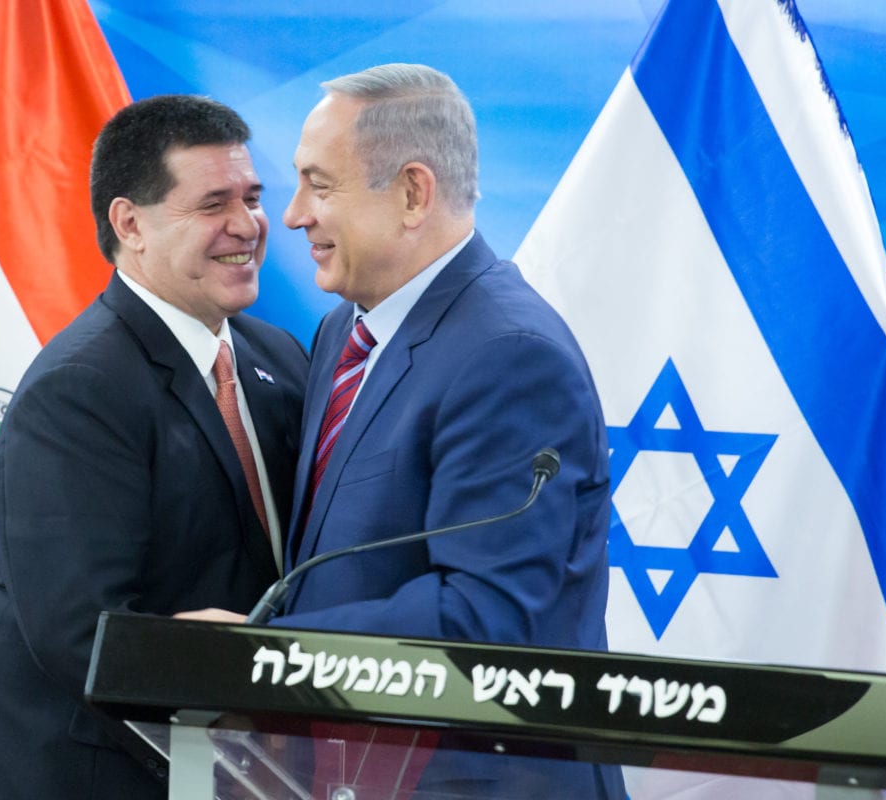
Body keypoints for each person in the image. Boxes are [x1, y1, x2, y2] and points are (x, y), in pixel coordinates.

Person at [185, 63, 624, 797]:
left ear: (413, 192)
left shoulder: (509, 358)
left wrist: (264, 656)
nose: (291, 216)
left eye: (320, 186)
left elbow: (487, 617)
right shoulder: (340, 333)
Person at [0, 94, 308, 799]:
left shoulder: (280, 360)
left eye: (252, 197)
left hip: (237, 773)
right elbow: (78, 634)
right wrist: (215, 661)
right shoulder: (80, 389)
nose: (247, 226)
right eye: (214, 204)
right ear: (130, 224)